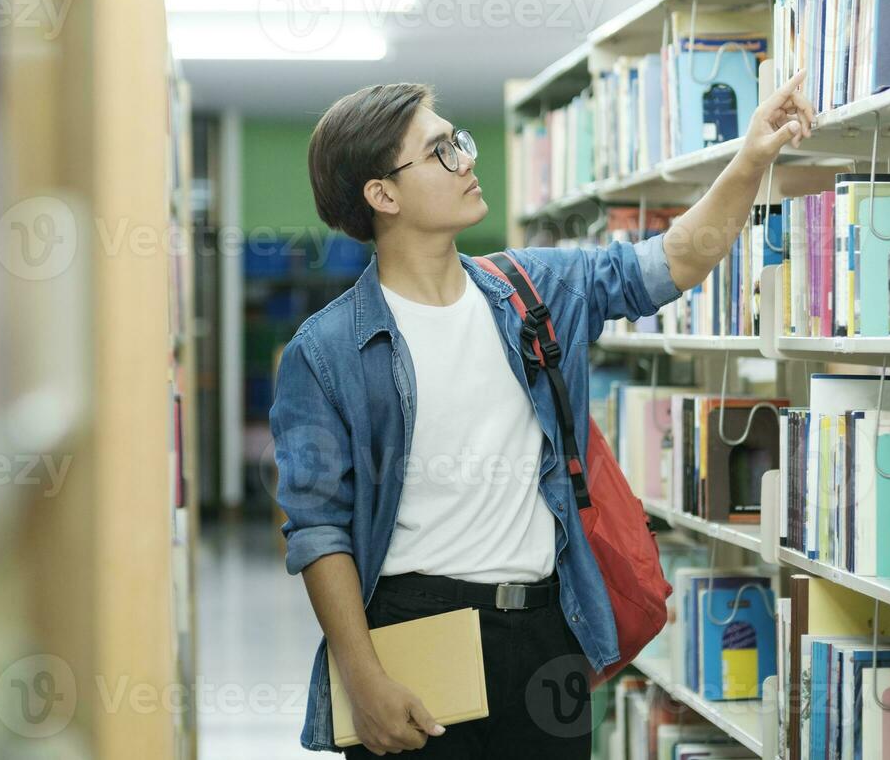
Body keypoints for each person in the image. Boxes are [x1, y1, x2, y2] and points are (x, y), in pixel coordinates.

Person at [269, 71, 813, 756]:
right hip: (414, 632)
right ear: (383, 195)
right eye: (439, 152)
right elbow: (319, 530)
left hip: (545, 632)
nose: (467, 160)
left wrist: (753, 156)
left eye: (457, 142)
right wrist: (362, 674)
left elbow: (670, 262)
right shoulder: (326, 351)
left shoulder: (533, 290)